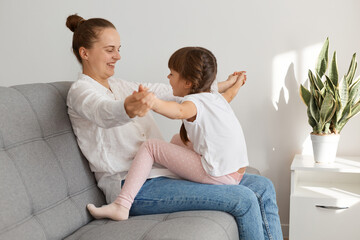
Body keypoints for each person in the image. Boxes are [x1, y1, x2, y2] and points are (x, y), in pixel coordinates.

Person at [66, 14, 283, 240]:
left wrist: (219, 85)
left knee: (263, 186)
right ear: (85, 53)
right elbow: (103, 112)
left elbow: (174, 91)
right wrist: (127, 109)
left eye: (119, 49)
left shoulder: (120, 85)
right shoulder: (80, 92)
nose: (118, 56)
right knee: (244, 199)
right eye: (110, 50)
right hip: (134, 187)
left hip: (165, 172)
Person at [87, 46, 249, 221]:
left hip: (218, 174)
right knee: (177, 140)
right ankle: (165, 173)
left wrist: (152, 102)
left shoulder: (193, 103)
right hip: (235, 171)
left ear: (188, 83)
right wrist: (237, 82)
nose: (168, 78)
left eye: (172, 74)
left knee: (151, 146)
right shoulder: (215, 97)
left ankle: (122, 204)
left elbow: (178, 111)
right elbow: (230, 94)